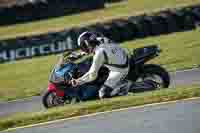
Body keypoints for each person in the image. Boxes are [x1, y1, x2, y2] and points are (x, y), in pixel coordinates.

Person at [71, 31, 130, 99]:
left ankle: (126, 86)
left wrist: (78, 81)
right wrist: (80, 54)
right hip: (123, 56)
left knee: (102, 93)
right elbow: (93, 48)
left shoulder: (99, 53)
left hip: (119, 70)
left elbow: (92, 75)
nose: (83, 48)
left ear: (87, 44)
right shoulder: (101, 39)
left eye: (83, 46)